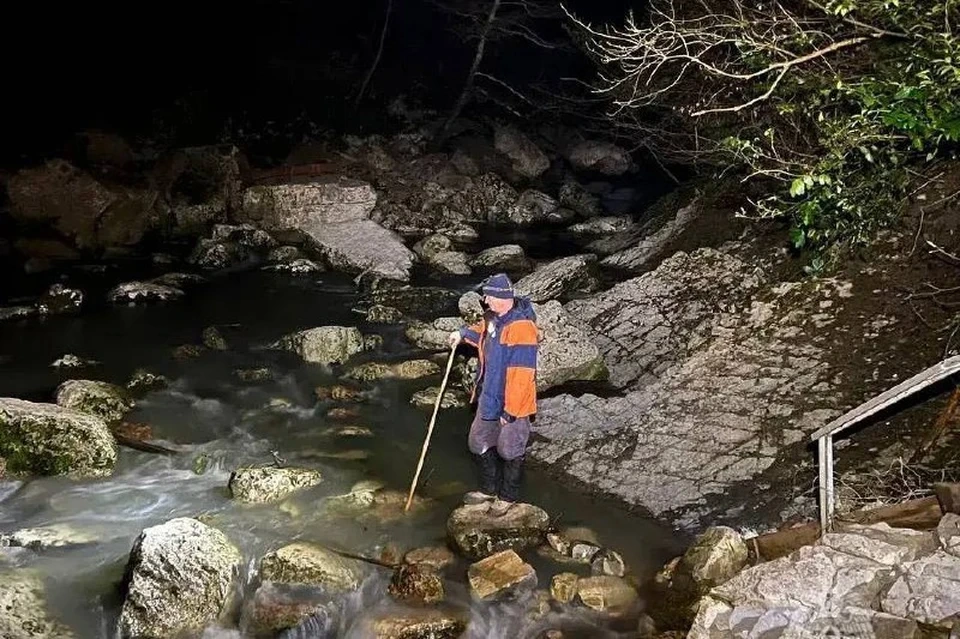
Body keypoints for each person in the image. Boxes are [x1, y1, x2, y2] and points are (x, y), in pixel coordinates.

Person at [448, 272, 539, 516]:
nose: (485, 301)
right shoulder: (493, 318)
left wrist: (510, 412)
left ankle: (507, 497)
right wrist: (463, 333)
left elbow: (521, 376)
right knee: (478, 443)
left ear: (501, 298)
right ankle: (488, 490)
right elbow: (482, 333)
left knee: (510, 449)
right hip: (489, 396)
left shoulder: (522, 328)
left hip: (513, 403)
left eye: (488, 296)